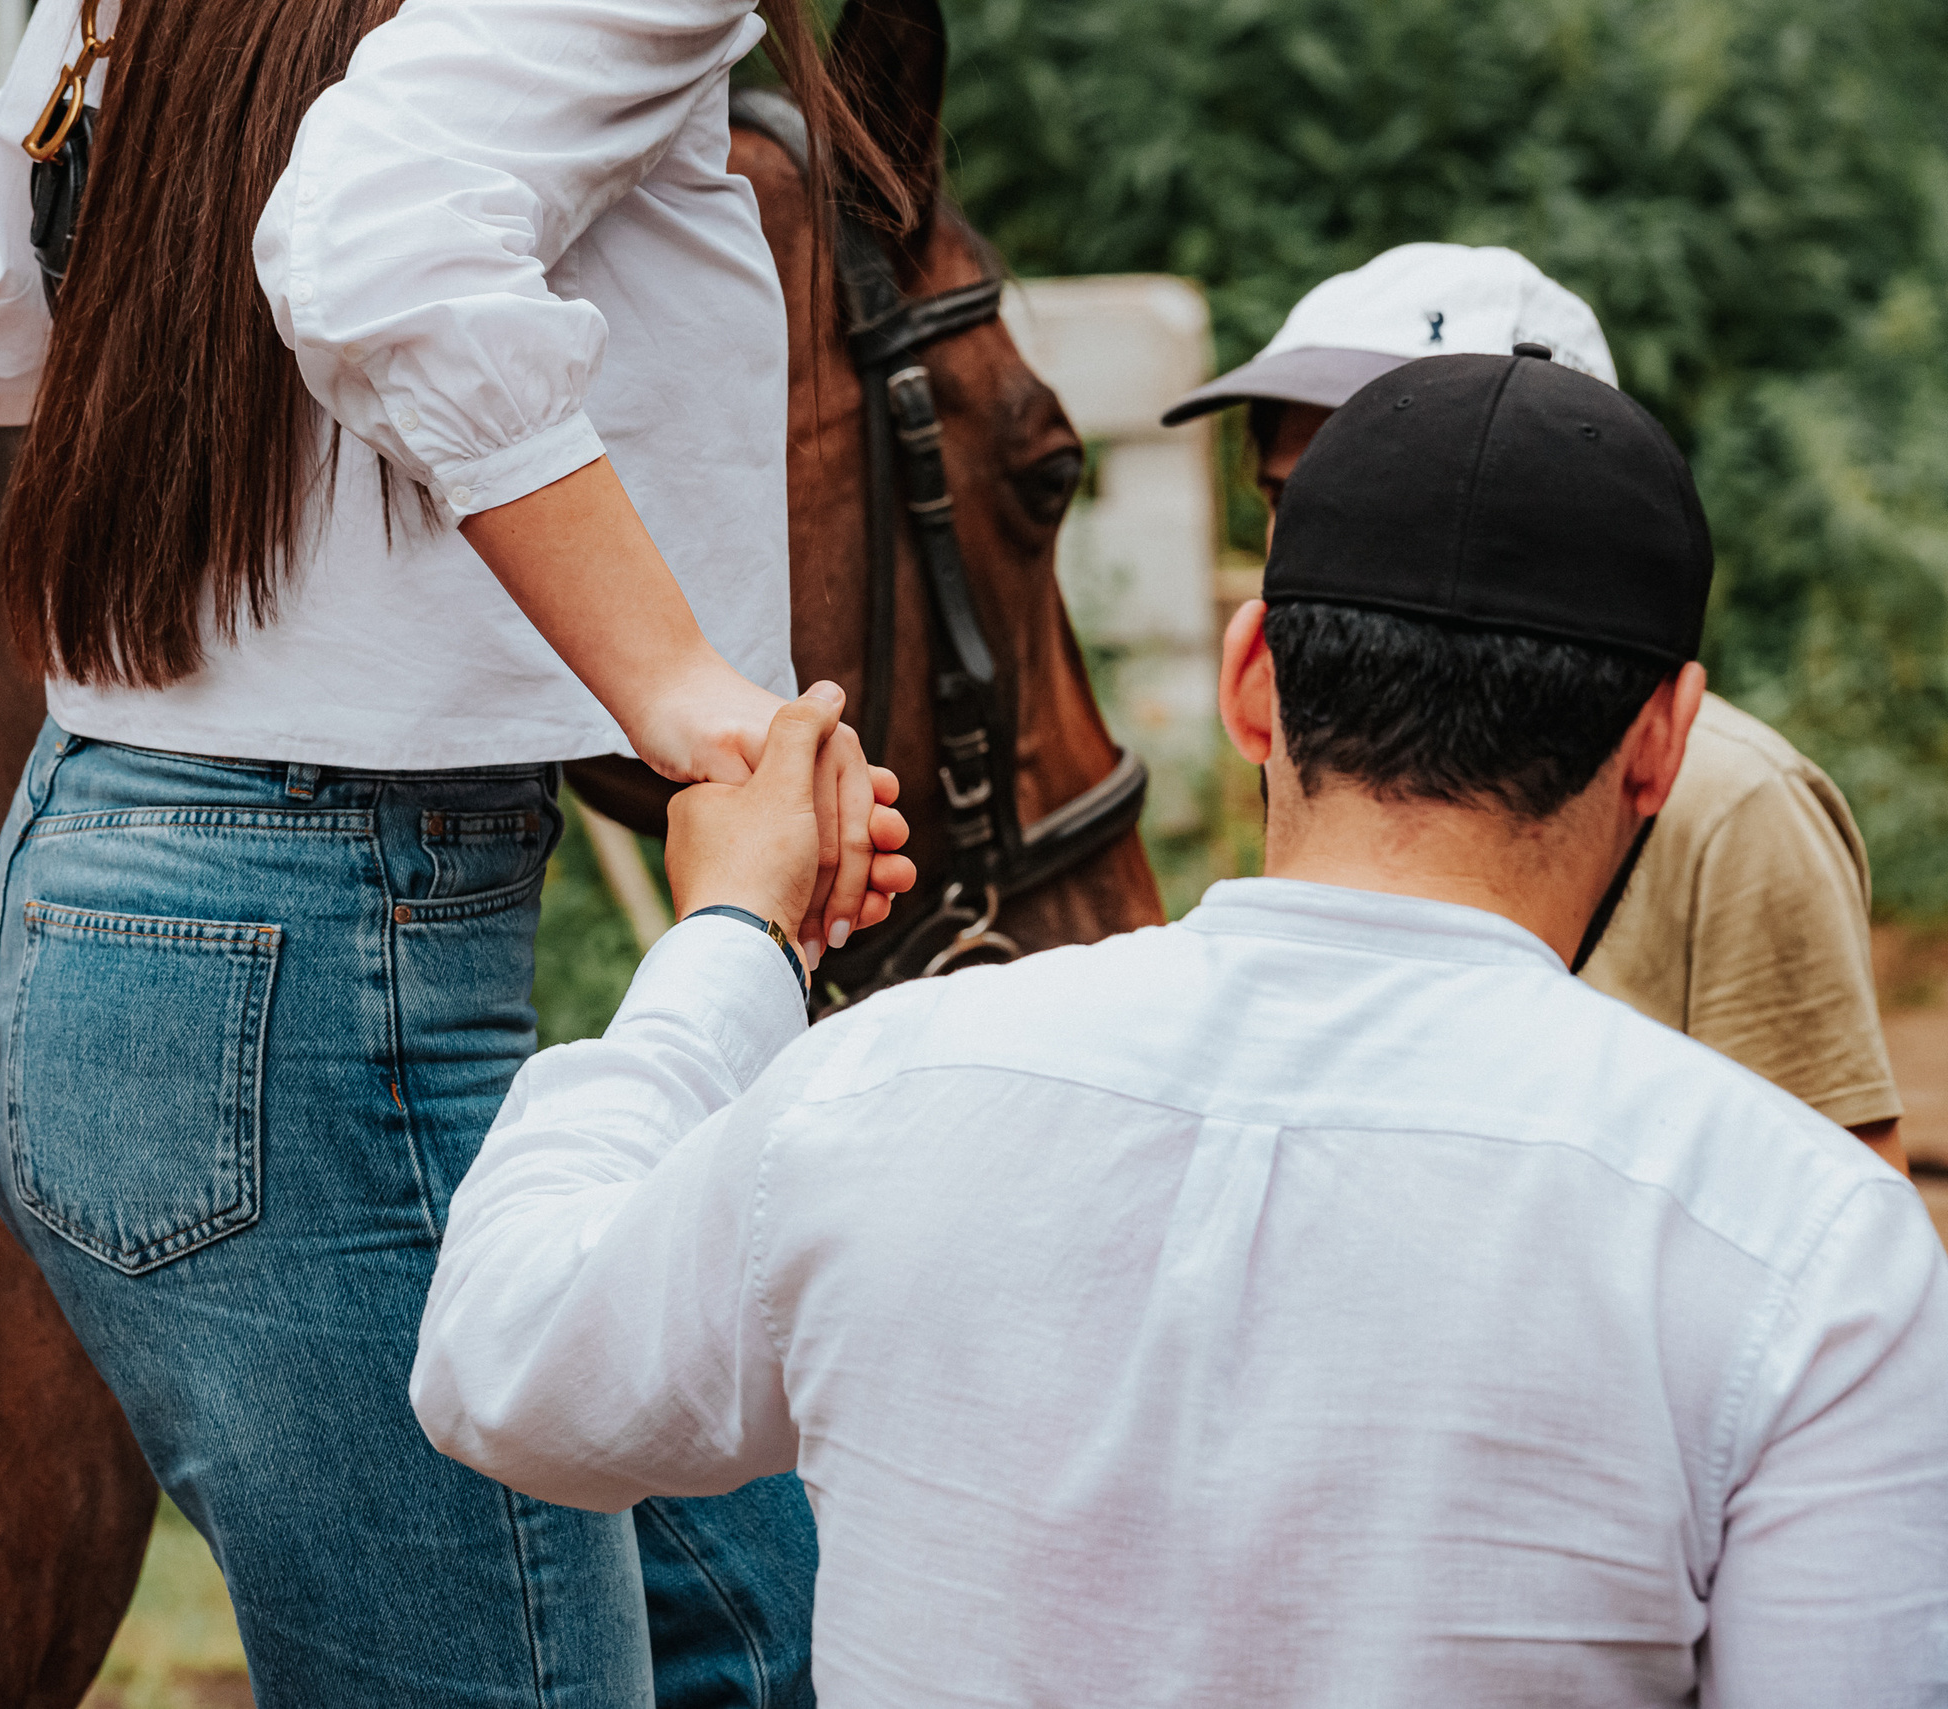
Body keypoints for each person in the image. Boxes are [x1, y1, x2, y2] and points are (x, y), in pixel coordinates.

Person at [411, 352, 1948, 1704]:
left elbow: (500, 1359)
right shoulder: (1811, 1254)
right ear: (1664, 741)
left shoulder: (880, 1089)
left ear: (1252, 680)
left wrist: (733, 938)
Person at [0, 0, 913, 1701]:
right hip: (317, 967)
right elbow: (377, 230)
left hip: (109, 898)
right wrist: (684, 691)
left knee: (770, 1634)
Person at [1163, 242, 1907, 1165]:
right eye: (1293, 495)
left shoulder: (1731, 801)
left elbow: (1842, 1201)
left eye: (1391, 482)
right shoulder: (1298, 732)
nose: (1328, 538)